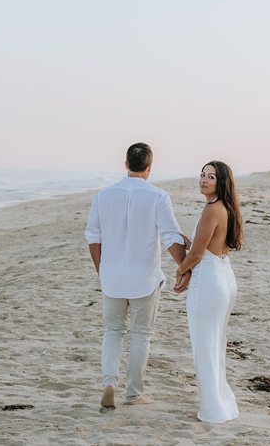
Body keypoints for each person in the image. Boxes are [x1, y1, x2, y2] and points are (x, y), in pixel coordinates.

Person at [85, 142, 188, 411]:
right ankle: (133, 393)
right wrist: (184, 267)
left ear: (126, 164)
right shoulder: (157, 197)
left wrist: (102, 270)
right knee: (141, 334)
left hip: (112, 278)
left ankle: (109, 383)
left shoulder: (103, 195)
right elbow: (170, 236)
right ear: (150, 167)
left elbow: (93, 237)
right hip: (144, 279)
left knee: (112, 331)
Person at [174, 160, 243, 423]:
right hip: (224, 277)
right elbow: (207, 247)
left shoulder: (211, 210)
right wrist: (187, 242)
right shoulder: (225, 208)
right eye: (202, 175)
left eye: (211, 177)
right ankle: (220, 404)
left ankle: (212, 410)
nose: (203, 180)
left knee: (205, 346)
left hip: (210, 282)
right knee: (215, 345)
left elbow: (198, 255)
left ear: (221, 182)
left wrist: (180, 270)